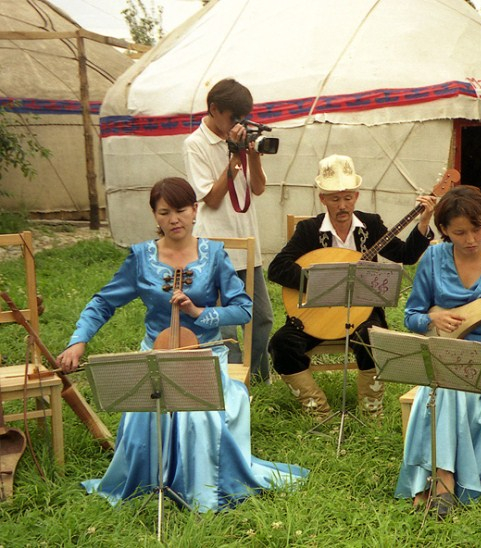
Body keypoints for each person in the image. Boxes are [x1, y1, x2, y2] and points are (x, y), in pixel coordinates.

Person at [56, 177, 307, 512]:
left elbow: (244, 308)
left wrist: (198, 312)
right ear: (155, 216)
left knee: (196, 417)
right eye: (164, 212)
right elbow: (103, 302)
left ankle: (200, 488)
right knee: (142, 415)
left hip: (204, 354)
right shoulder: (141, 258)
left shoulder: (215, 256)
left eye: (180, 210)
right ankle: (148, 482)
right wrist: (78, 341)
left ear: (194, 211)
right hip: (156, 353)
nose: (173, 218)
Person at [395, 185, 481, 518]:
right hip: (445, 351)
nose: (471, 238)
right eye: (460, 232)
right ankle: (446, 479)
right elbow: (411, 317)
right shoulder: (432, 257)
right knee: (447, 380)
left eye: (478, 229)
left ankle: (437, 482)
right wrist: (433, 316)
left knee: (447, 387)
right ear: (443, 230)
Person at [268, 154, 436, 417]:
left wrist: (423, 222)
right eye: (335, 199)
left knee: (374, 338)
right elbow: (277, 268)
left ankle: (371, 411)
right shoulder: (309, 230)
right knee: (281, 344)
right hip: (319, 315)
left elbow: (406, 255)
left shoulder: (370, 224)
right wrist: (323, 283)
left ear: (356, 196)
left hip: (362, 313)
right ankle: (318, 410)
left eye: (348, 197)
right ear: (322, 199)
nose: (342, 205)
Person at [183, 78, 274, 382]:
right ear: (213, 109)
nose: (237, 124)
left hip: (248, 245)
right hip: (216, 246)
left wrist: (253, 156)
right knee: (226, 325)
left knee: (261, 318)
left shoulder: (237, 140)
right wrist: (234, 158)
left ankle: (259, 378)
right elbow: (210, 196)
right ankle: (234, 384)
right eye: (233, 117)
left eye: (242, 118)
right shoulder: (195, 144)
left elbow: (258, 189)